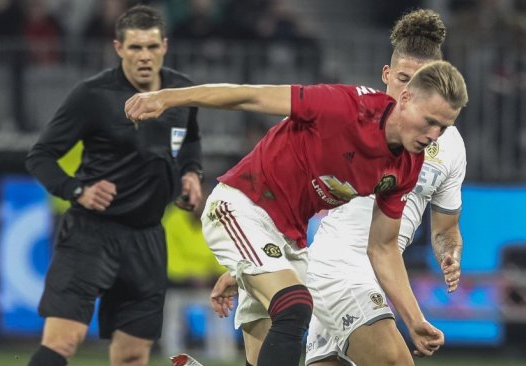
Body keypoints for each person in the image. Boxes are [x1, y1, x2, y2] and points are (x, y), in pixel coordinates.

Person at [125, 59, 468, 365]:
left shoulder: (407, 165)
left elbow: (382, 248)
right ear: (406, 98)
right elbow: (250, 96)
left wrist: (414, 320)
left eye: (444, 128)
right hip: (243, 205)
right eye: (430, 121)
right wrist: (167, 98)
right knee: (295, 305)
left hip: (288, 240)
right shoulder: (346, 106)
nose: (434, 135)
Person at [25, 5, 204, 366]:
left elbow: (189, 139)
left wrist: (191, 172)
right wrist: (77, 190)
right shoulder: (93, 95)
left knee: (133, 356)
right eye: (135, 48)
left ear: (164, 46)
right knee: (62, 342)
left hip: (147, 239)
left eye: (151, 47)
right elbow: (40, 155)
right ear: (118, 48)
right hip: (91, 235)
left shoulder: (181, 91)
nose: (144, 56)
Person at [304, 9, 466, 366]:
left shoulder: (450, 145)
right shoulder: (358, 119)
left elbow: (446, 229)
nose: (408, 92)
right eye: (402, 79)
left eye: (420, 82)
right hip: (339, 266)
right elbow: (292, 187)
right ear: (386, 75)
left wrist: (448, 253)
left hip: (380, 275)